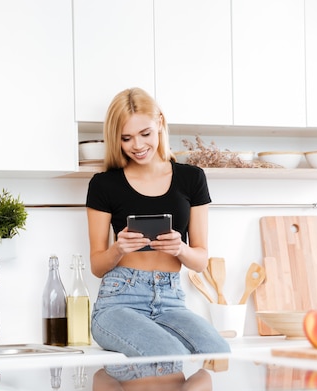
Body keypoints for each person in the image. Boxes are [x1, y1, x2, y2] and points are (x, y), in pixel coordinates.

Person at [85, 87, 230, 357]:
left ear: (160, 123)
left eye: (145, 134)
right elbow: (96, 265)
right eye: (126, 138)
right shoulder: (104, 184)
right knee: (166, 354)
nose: (137, 146)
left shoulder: (192, 178)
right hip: (119, 301)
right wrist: (119, 248)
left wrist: (180, 248)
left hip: (171, 299)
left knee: (217, 352)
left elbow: (199, 261)